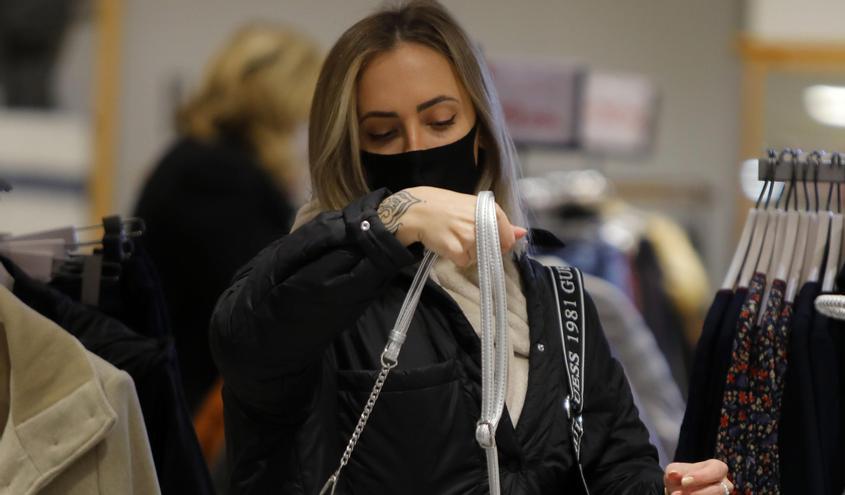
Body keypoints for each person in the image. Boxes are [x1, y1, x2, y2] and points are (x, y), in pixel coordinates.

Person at [209, 2, 731, 494]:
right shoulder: (325, 296)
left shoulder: (558, 298)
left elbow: (612, 466)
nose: (416, 147)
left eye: (440, 122)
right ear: (351, 146)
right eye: (384, 132)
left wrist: (668, 489)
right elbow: (241, 336)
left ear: (479, 129)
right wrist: (392, 220)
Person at [135, 23, 322, 411]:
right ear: (280, 100)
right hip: (187, 404)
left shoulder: (203, 161)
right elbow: (264, 307)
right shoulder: (215, 175)